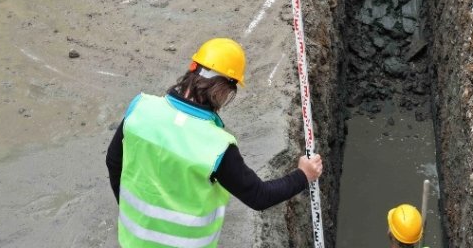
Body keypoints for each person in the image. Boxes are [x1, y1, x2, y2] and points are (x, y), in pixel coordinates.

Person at [106, 38, 324, 247]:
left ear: (192, 68)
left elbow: (113, 161)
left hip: (134, 241)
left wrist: (133, 212)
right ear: (224, 91)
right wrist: (303, 175)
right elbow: (259, 196)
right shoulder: (217, 147)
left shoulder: (141, 108)